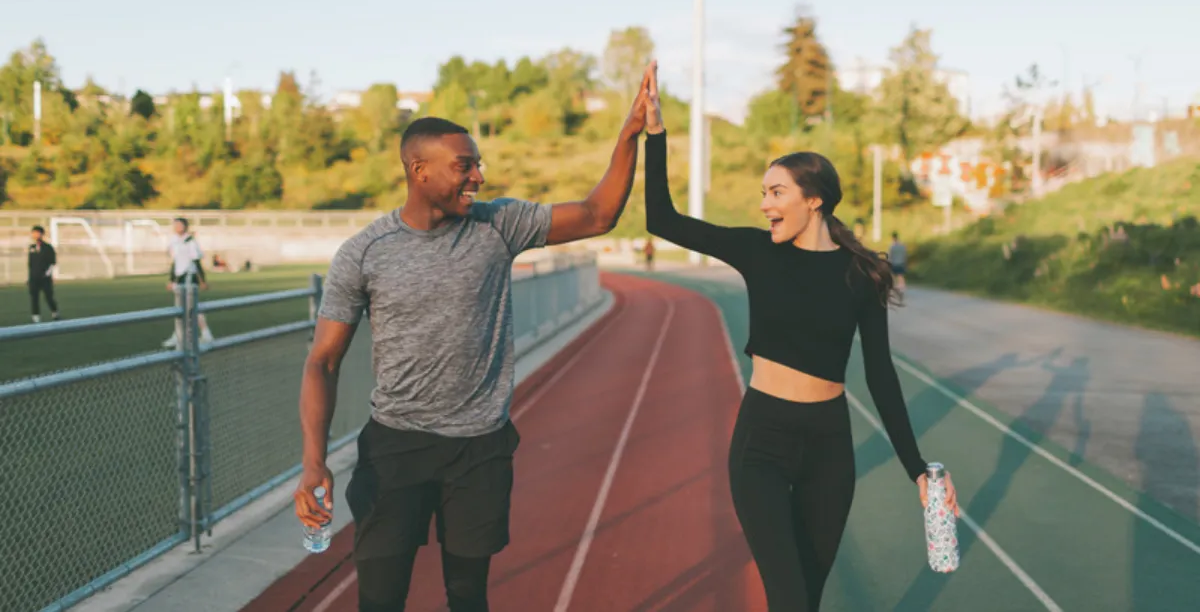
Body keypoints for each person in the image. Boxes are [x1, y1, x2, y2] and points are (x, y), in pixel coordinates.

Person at [293, 62, 656, 612]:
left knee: (468, 598)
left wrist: (629, 134)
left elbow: (597, 214)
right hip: (396, 448)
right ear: (419, 170)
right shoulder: (364, 253)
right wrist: (313, 461)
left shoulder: (498, 226)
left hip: (480, 449)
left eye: (478, 165)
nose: (478, 178)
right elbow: (322, 361)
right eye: (464, 166)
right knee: (380, 599)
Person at [640, 69, 957, 611]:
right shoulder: (758, 251)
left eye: (776, 192)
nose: (764, 204)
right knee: (788, 598)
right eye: (764, 192)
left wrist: (916, 470)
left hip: (830, 447)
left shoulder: (864, 274)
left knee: (805, 600)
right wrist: (656, 134)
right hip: (762, 440)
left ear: (814, 200)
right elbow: (661, 218)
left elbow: (880, 376)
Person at [162, 217, 215, 347]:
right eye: (175, 225)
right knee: (180, 308)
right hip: (179, 278)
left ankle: (205, 334)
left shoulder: (190, 241)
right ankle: (179, 336)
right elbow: (175, 263)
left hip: (189, 277)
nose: (177, 227)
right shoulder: (174, 241)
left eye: (179, 225)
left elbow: (196, 261)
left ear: (185, 226)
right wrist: (171, 280)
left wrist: (202, 280)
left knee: (191, 307)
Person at [27, 226, 60, 323]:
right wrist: (29, 277)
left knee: (48, 296)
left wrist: (47, 274)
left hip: (45, 278)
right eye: (33, 233)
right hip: (33, 278)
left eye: (37, 233)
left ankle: (55, 312)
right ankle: (36, 316)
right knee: (34, 297)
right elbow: (30, 264)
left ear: (42, 234)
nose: (35, 235)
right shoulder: (31, 247)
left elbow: (52, 262)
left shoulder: (48, 247)